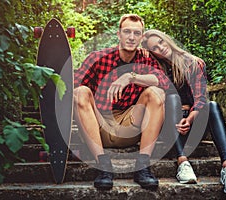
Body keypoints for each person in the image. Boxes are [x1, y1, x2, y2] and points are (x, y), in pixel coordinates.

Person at [73, 15, 170, 190]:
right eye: (127, 31)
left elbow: (164, 82)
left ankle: (143, 166)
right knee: (80, 92)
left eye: (136, 33)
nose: (131, 37)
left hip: (130, 125)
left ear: (141, 38)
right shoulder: (98, 58)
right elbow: (71, 86)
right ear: (118, 34)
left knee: (157, 93)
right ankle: (102, 165)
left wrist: (131, 77)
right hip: (99, 124)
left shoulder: (145, 58)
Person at [141, 29, 226, 194]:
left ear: (167, 40)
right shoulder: (155, 70)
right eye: (155, 48)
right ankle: (182, 163)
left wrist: (190, 117)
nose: (161, 48)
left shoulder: (193, 63)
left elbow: (200, 98)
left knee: (213, 105)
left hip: (192, 123)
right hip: (169, 127)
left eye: (161, 42)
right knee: (172, 99)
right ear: (152, 53)